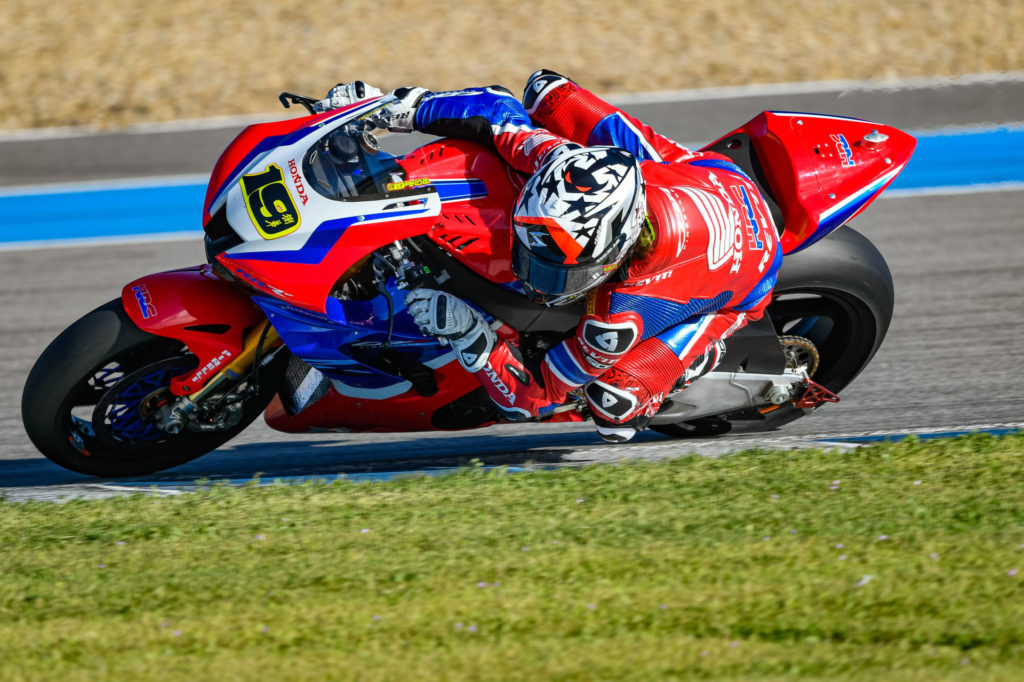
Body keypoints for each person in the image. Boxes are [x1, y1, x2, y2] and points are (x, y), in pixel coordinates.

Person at [315, 72, 781, 442]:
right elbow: (495, 110)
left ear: (612, 254)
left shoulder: (620, 316)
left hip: (744, 275)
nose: (532, 275)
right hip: (706, 176)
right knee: (547, 92)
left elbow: (531, 398)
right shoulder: (554, 160)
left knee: (613, 405)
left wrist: (472, 336)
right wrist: (390, 108)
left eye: (557, 268)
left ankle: (701, 357)